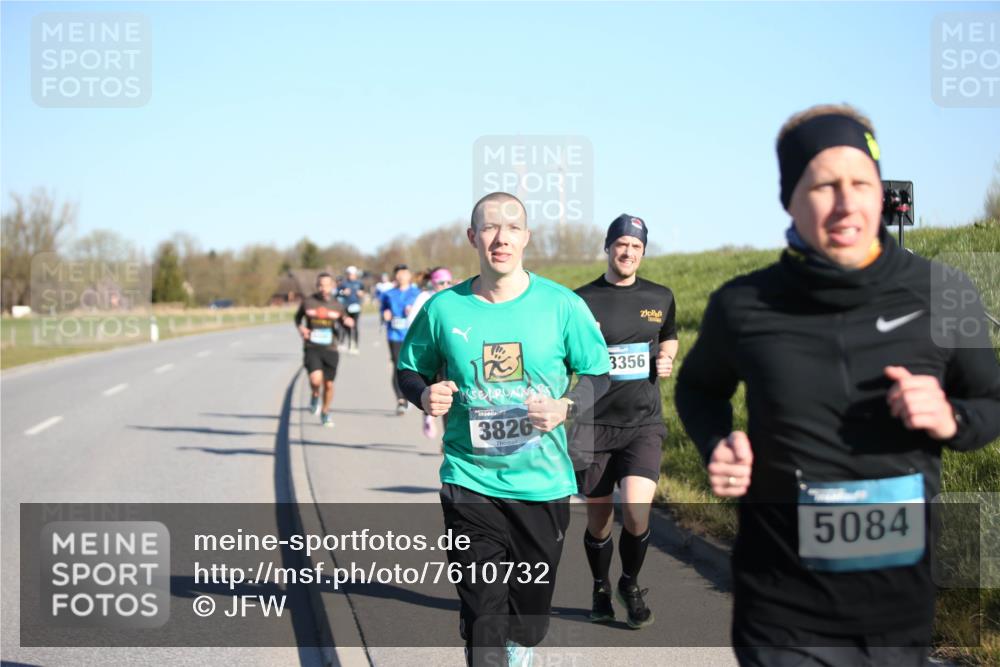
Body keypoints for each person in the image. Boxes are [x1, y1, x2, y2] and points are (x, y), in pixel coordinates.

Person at [674, 104, 1000, 666]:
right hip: (782, 607)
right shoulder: (744, 304)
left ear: (881, 191)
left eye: (862, 183)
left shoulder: (943, 292)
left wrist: (952, 419)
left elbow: (992, 401)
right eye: (824, 185)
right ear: (790, 199)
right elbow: (698, 390)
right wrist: (718, 443)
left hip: (898, 611)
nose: (848, 203)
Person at [396, 192, 611, 667]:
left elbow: (600, 373)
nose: (501, 236)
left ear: (526, 238)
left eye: (512, 227)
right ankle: (484, 639)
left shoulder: (562, 305)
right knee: (482, 612)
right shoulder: (443, 309)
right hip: (469, 480)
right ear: (473, 237)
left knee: (529, 620)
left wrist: (566, 405)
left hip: (543, 484)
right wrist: (422, 396)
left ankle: (517, 642)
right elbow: (408, 370)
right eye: (490, 227)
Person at [570, 213, 678, 629]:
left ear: (643, 252)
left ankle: (629, 584)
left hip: (643, 422)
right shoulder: (580, 301)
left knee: (636, 510)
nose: (628, 252)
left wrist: (667, 356)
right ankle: (600, 585)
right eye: (621, 245)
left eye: (636, 247)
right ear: (609, 247)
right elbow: (565, 354)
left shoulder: (660, 296)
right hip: (593, 426)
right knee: (599, 522)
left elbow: (668, 334)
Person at [295, 272, 354, 427]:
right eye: (321, 285)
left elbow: (344, 320)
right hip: (312, 347)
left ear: (332, 286)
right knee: (315, 380)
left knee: (328, 385)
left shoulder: (337, 304)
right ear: (317, 286)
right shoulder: (308, 302)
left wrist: (347, 321)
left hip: (331, 348)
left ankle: (325, 412)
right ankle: (315, 395)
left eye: (327, 285)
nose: (324, 288)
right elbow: (297, 318)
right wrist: (301, 328)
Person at [407, 266, 455, 438]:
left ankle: (448, 436)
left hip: (448, 350)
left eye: (449, 282)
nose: (446, 285)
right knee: (433, 388)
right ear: (433, 283)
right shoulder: (425, 298)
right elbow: (411, 321)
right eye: (442, 282)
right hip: (429, 350)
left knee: (450, 392)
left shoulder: (454, 297)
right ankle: (428, 415)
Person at [381, 264, 421, 415]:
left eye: (404, 273)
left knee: (412, 366)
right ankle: (401, 399)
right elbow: (383, 310)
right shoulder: (389, 294)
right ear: (395, 276)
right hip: (394, 334)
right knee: (398, 365)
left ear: (409, 275)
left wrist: (414, 312)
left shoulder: (417, 293)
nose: (401, 276)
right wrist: (385, 314)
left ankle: (411, 393)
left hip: (413, 334)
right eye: (398, 274)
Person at [338, 265, 366, 355]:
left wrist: (361, 294)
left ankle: (355, 345)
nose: (351, 276)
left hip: (356, 307)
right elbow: (337, 292)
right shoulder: (344, 283)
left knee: (355, 326)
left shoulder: (359, 283)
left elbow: (363, 292)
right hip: (346, 307)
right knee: (346, 326)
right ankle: (348, 343)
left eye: (352, 274)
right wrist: (343, 292)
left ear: (355, 275)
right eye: (349, 274)